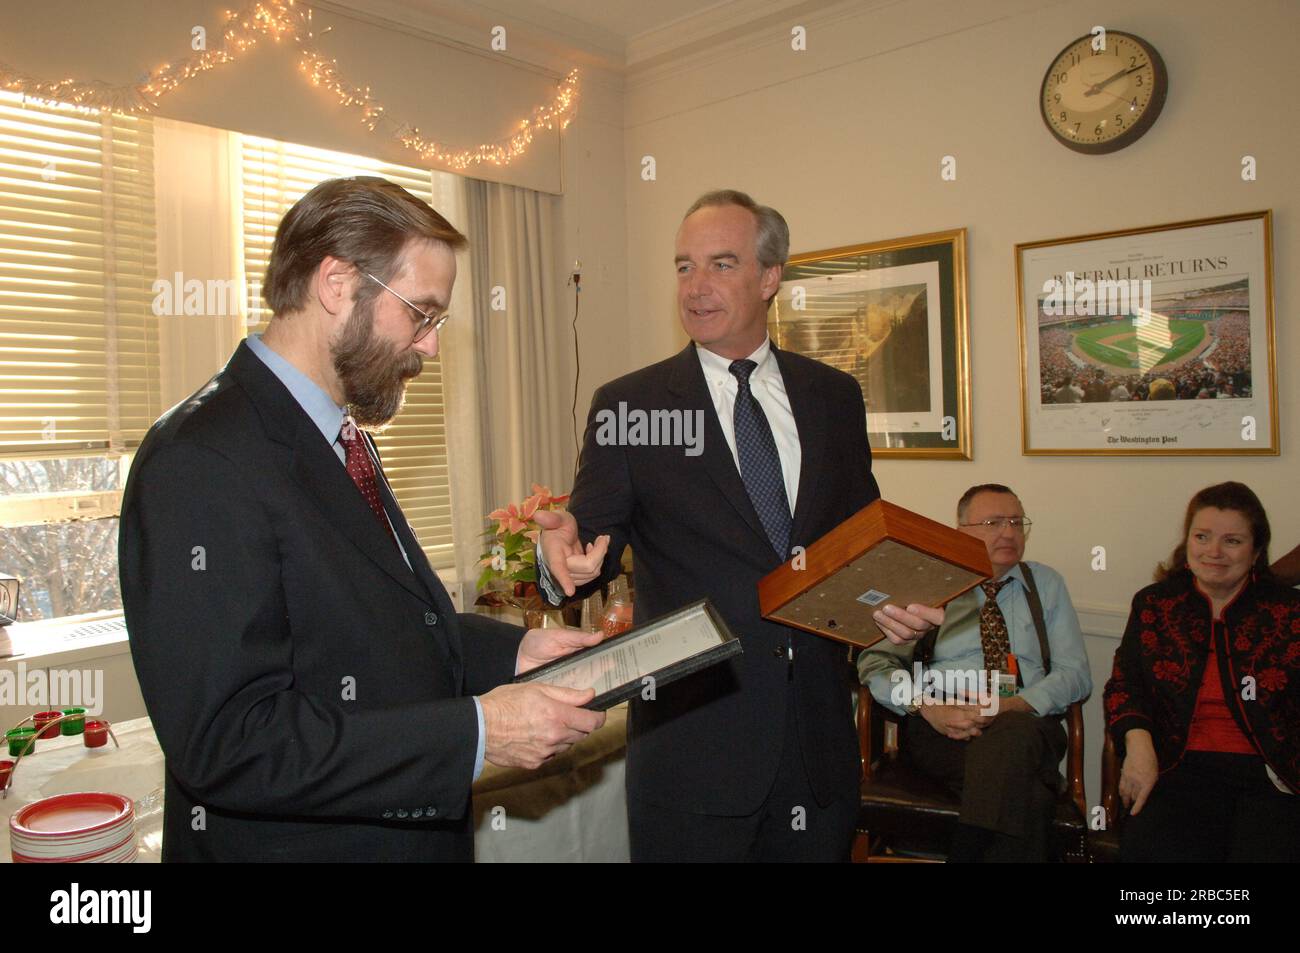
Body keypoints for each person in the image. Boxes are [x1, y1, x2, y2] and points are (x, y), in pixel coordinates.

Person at [119, 177, 605, 862]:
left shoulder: (340, 434)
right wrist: (476, 734)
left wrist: (511, 653)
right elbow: (231, 741)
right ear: (338, 284)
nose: (432, 348)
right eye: (422, 314)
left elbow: (375, 626)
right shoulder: (200, 457)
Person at [533, 189, 942, 862]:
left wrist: (890, 605)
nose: (696, 287)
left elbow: (859, 545)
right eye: (684, 266)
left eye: (721, 264)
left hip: (816, 750)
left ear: (771, 276)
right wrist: (561, 562)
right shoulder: (630, 404)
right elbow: (588, 549)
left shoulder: (834, 398)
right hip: (692, 752)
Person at [858, 484, 1091, 861]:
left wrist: (1012, 705)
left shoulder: (1046, 585)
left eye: (1017, 521)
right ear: (959, 532)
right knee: (1030, 794)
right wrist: (926, 707)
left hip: (1028, 720)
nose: (1008, 532)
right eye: (993, 522)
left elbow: (1075, 673)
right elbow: (875, 663)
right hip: (942, 727)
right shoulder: (929, 585)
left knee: (1015, 733)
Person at [1104, 482, 1300, 862]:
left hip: (1271, 774)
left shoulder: (1288, 611)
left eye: (1232, 541)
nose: (1214, 552)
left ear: (1256, 550)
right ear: (1187, 541)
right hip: (1176, 765)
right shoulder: (1155, 605)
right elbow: (1124, 686)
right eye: (1202, 536)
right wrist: (1139, 746)